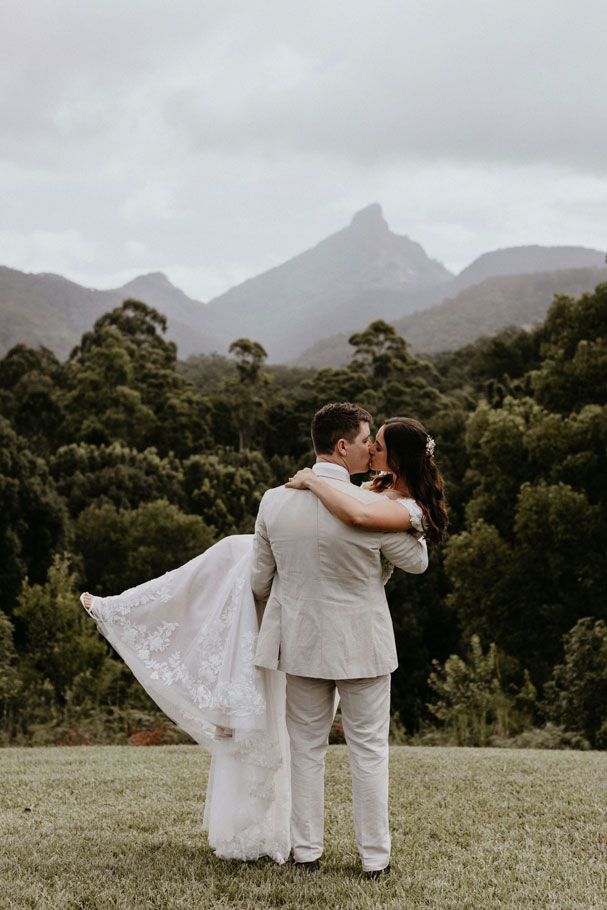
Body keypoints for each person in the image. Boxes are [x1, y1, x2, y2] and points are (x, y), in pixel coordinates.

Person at [80, 403, 445, 872]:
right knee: (369, 752)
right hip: (363, 645)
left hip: (300, 643)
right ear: (341, 445)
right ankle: (375, 859)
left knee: (306, 751)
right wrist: (381, 561)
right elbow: (415, 562)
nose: (368, 447)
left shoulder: (276, 500)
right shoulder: (375, 507)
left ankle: (307, 854)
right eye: (364, 440)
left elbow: (256, 581)